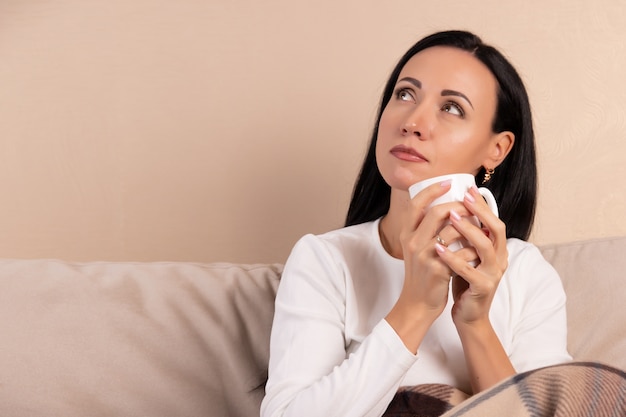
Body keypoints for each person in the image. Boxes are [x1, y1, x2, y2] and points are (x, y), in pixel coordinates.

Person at [260, 30, 572, 417]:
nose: (413, 122)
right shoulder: (325, 260)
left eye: (452, 108)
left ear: (497, 149)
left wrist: (475, 323)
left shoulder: (526, 273)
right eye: (404, 94)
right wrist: (416, 306)